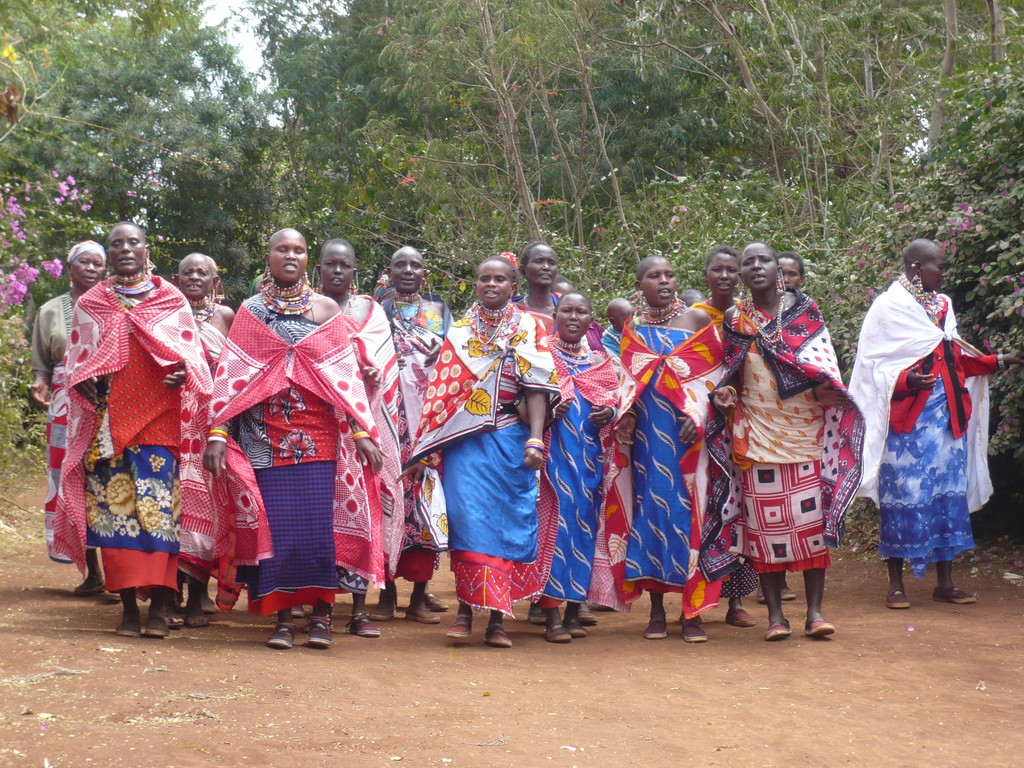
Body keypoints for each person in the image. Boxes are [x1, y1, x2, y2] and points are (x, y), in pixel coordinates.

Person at [204, 229, 384, 650]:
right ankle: (282, 619)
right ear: (267, 257)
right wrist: (217, 431)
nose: (291, 256)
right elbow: (233, 375)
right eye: (282, 249)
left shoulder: (325, 310)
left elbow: (345, 379)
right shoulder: (249, 312)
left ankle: (321, 618)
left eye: (299, 250)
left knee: (317, 532)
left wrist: (361, 431)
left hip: (319, 437)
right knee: (278, 532)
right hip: (263, 438)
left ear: (308, 260)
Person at [53, 222, 213, 638]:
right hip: (107, 424)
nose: (125, 249)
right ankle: (126, 609)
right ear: (110, 253)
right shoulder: (93, 301)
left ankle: (159, 608)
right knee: (114, 514)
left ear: (146, 249)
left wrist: (182, 373)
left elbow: (191, 356)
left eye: (133, 242)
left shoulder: (169, 298)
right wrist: (80, 378)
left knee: (160, 515)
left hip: (160, 421)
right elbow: (76, 358)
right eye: (117, 244)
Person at [849, 239, 1022, 608]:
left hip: (948, 422)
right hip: (908, 425)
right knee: (903, 497)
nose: (944, 273)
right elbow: (871, 367)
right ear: (916, 267)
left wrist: (999, 360)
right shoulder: (889, 307)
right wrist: (905, 381)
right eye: (939, 266)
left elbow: (955, 355)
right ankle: (896, 585)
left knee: (947, 497)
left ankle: (945, 582)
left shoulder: (943, 306)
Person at [707, 242, 864, 641]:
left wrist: (828, 390)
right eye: (749, 262)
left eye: (764, 260)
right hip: (757, 435)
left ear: (778, 268)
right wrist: (724, 395)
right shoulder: (735, 318)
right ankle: (776, 616)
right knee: (764, 529)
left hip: (807, 434)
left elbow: (824, 365)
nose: (756, 266)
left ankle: (814, 613)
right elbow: (731, 372)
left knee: (810, 525)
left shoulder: (805, 311)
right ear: (741, 274)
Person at [408, 255, 560, 648]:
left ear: (513, 285)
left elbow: (538, 387)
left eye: (499, 279)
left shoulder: (528, 327)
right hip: (465, 444)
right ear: (475, 285)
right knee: (468, 523)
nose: (491, 285)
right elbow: (441, 395)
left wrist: (535, 438)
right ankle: (463, 611)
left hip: (511, 438)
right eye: (483, 279)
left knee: (506, 525)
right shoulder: (458, 333)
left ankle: (497, 619)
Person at [608, 256, 725, 643]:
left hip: (689, 438)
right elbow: (626, 382)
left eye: (670, 274)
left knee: (690, 513)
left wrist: (701, 414)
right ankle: (657, 611)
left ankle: (692, 613)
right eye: (654, 276)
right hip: (647, 440)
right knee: (651, 512)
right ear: (639, 284)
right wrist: (625, 415)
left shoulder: (697, 322)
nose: (664, 281)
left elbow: (716, 378)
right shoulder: (633, 328)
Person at [315, 238, 405, 637]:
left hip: (364, 426)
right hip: (318, 423)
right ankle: (319, 608)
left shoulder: (372, 312)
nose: (337, 271)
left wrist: (372, 377)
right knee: (321, 518)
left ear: (355, 271)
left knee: (363, 510)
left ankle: (358, 610)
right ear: (319, 269)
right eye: (330, 264)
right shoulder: (307, 309)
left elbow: (383, 368)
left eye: (345, 265)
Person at [368, 246, 452, 624]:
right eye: (400, 265)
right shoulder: (374, 312)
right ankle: (385, 596)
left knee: (424, 504)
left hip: (426, 420)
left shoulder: (438, 312)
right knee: (387, 502)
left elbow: (448, 363)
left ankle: (418, 595)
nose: (407, 270)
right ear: (389, 271)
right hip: (386, 418)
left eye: (415, 265)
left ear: (424, 272)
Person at [534, 292, 620, 642]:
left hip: (590, 464)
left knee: (585, 531)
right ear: (555, 314)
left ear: (590, 319)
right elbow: (525, 402)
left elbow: (616, 398)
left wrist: (611, 413)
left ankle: (573, 610)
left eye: (581, 311)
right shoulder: (541, 357)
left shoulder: (600, 363)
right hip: (552, 465)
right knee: (554, 532)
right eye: (566, 310)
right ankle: (550, 614)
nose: (573, 317)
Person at [689, 245, 767, 624]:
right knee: (706, 507)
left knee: (737, 508)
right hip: (703, 418)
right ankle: (702, 600)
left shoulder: (745, 316)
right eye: (716, 269)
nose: (724, 276)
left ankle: (737, 602)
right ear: (705, 274)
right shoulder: (695, 317)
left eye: (730, 270)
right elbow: (686, 368)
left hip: (741, 418)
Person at [31, 240, 107, 595]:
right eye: (85, 263)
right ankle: (91, 572)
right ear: (70, 266)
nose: (92, 269)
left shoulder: (114, 307)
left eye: (98, 264)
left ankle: (119, 571)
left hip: (108, 403)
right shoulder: (49, 310)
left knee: (107, 478)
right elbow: (42, 363)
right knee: (69, 479)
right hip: (64, 408)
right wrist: (40, 383)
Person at [173, 252, 235, 627]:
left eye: (203, 272)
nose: (194, 277)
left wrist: (222, 431)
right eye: (187, 272)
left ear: (215, 281)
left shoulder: (226, 318)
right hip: (170, 425)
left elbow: (232, 375)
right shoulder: (164, 315)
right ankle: (169, 593)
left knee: (206, 513)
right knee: (172, 511)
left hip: (209, 427)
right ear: (176, 279)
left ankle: (197, 597)